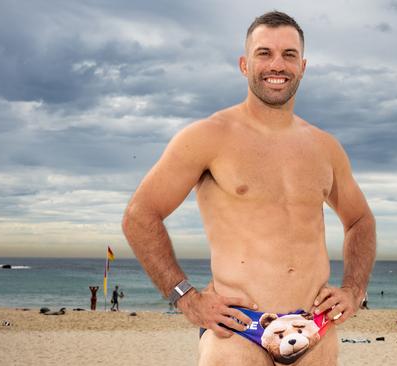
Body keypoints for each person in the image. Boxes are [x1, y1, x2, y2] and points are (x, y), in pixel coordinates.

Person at [121, 11, 376, 366]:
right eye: (264, 53)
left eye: (289, 55)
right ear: (244, 64)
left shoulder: (325, 148)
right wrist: (185, 296)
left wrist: (354, 290)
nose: (277, 65)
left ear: (303, 66)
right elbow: (140, 215)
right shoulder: (208, 137)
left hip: (315, 328)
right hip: (237, 330)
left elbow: (360, 219)